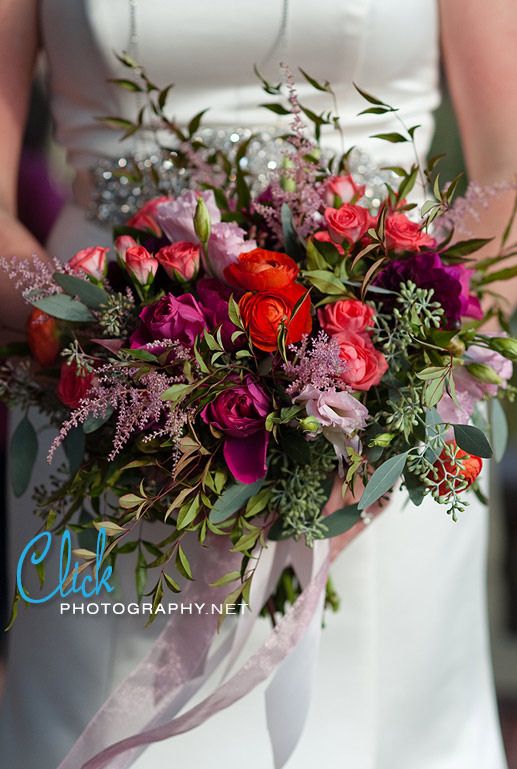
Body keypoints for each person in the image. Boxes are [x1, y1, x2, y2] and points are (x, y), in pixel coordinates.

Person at [0, 1, 516, 768]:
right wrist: (123, 355)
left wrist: (415, 393)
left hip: (387, 406)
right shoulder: (109, 368)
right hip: (102, 399)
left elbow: (506, 171)